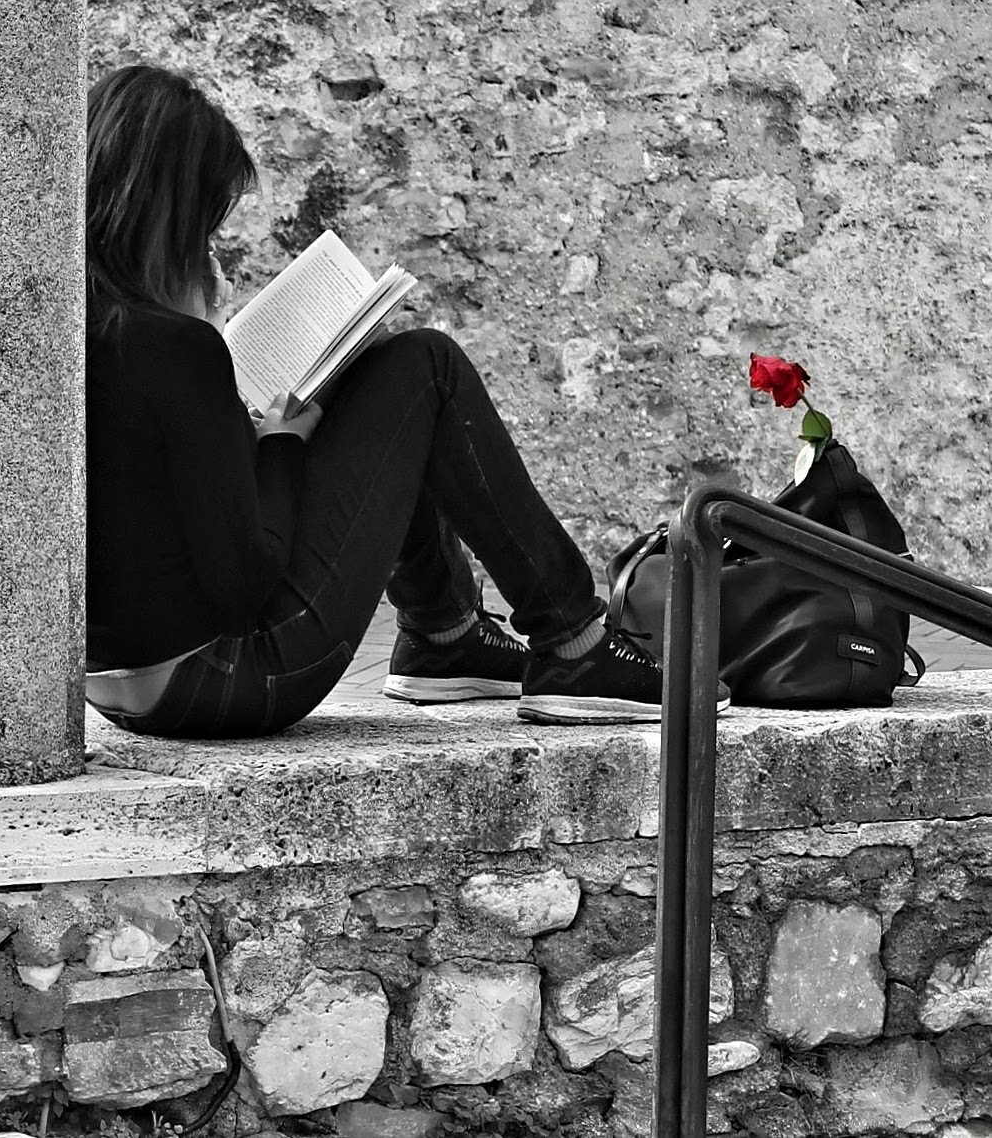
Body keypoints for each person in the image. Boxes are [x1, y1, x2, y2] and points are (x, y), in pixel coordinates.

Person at [84, 64, 728, 737]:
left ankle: (443, 633)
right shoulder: (175, 347)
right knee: (425, 366)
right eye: (202, 230)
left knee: (380, 386)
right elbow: (243, 581)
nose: (204, 252)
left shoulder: (78, 337)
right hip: (227, 679)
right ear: (163, 214)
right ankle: (573, 639)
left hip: (121, 687)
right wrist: (277, 448)